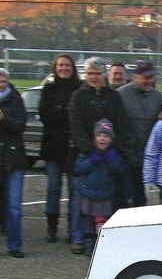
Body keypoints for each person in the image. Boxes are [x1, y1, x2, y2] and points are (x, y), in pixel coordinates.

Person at [68, 57, 132, 254]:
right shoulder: (78, 96)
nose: (94, 77)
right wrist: (89, 149)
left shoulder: (113, 97)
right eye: (90, 74)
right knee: (80, 199)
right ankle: (78, 237)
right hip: (86, 154)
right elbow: (75, 125)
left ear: (104, 74)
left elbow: (121, 123)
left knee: (106, 200)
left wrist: (113, 147)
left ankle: (102, 236)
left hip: (109, 153)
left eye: (97, 73)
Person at [39, 54, 81, 243]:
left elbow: (78, 118)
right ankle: (52, 227)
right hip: (53, 146)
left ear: (72, 68)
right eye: (60, 65)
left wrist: (61, 111)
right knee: (54, 188)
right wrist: (61, 112)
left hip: (73, 147)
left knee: (74, 190)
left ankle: (73, 230)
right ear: (55, 68)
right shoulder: (49, 89)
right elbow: (45, 115)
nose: (64, 68)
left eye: (67, 65)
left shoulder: (79, 89)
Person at [74, 119, 126, 256]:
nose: (102, 139)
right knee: (88, 222)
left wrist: (112, 161)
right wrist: (92, 161)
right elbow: (78, 168)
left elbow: (120, 170)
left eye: (106, 136)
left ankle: (101, 243)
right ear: (94, 138)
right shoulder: (88, 153)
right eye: (99, 135)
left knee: (102, 221)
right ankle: (89, 244)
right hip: (88, 194)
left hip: (104, 195)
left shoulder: (113, 155)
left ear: (111, 139)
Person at [117, 60, 162, 207]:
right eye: (145, 77)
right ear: (136, 76)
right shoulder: (120, 94)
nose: (149, 81)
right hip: (126, 157)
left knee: (142, 198)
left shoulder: (157, 96)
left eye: (151, 77)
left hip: (147, 158)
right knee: (124, 196)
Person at [0, 68, 28, 258]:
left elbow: (20, 126)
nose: (0, 84)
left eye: (3, 81)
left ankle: (15, 245)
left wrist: (3, 119)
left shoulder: (16, 100)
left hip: (14, 160)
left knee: (14, 207)